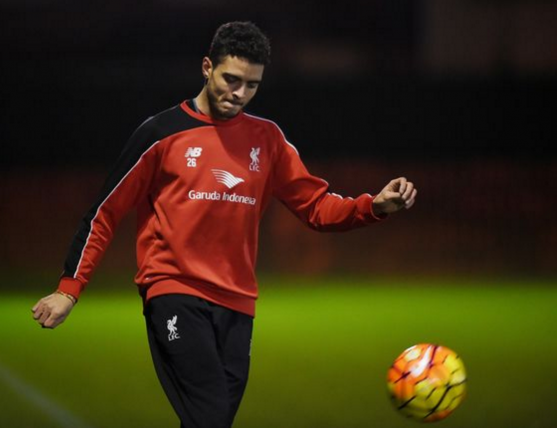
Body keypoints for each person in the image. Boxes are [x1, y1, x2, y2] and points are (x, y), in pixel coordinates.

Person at [32, 21, 417, 428]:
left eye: (252, 85)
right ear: (206, 67)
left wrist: (373, 206)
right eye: (231, 79)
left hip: (237, 304)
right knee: (211, 416)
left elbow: (316, 207)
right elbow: (104, 213)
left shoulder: (268, 139)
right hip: (174, 291)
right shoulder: (160, 134)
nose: (239, 94)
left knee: (210, 421)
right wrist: (69, 290)